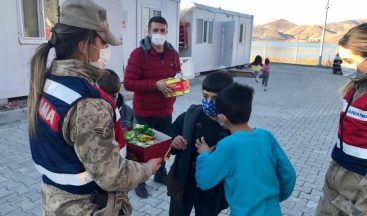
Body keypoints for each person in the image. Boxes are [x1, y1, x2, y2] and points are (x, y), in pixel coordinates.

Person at [27, 1, 161, 215]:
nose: (108, 50)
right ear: (84, 46)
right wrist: (147, 169)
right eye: (104, 43)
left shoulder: (48, 81)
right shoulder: (88, 101)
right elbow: (112, 176)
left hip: (56, 201)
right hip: (87, 206)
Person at [195, 83, 297, 216]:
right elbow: (289, 175)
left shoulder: (227, 146)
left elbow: (204, 180)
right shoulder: (266, 136)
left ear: (222, 118)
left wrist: (204, 155)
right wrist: (276, 198)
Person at [124, 16, 181, 198]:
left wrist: (178, 88)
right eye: (155, 30)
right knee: (142, 148)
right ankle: (139, 180)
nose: (159, 34)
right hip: (144, 112)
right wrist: (155, 85)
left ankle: (160, 174)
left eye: (162, 30)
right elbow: (129, 83)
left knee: (164, 146)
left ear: (167, 32)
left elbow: (179, 78)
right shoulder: (139, 54)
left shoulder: (173, 55)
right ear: (148, 32)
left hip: (165, 111)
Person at [316, 23, 367, 215]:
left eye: (348, 60)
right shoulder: (356, 87)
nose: (343, 65)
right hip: (338, 174)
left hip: (358, 188)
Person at [167, 71, 233, 216]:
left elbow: (234, 159)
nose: (208, 102)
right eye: (205, 96)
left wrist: (210, 155)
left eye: (215, 98)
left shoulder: (231, 126)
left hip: (211, 192)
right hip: (184, 183)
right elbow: (170, 131)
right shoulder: (192, 115)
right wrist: (174, 140)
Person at [97, 69, 136, 158]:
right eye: (107, 97)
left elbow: (135, 135)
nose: (111, 101)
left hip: (124, 159)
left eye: (114, 96)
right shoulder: (94, 114)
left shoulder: (127, 112)